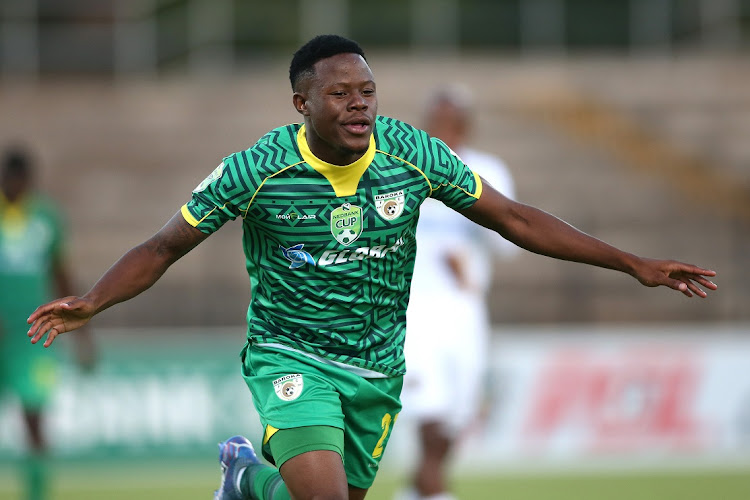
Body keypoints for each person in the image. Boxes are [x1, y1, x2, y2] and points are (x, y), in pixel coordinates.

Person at [26, 35, 716, 500]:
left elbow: (514, 218)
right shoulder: (257, 170)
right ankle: (249, 472)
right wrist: (93, 301)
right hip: (290, 353)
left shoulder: (411, 153)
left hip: (377, 364)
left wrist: (632, 264)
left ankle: (242, 479)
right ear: (302, 104)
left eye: (368, 91)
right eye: (340, 94)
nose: (360, 105)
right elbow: (161, 247)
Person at [396, 85, 520, 500]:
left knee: (457, 417)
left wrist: (469, 238)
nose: (442, 129)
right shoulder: (403, 171)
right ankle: (436, 493)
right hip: (415, 310)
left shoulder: (488, 170)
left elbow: (510, 239)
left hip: (465, 310)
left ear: (466, 124)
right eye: (436, 121)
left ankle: (417, 493)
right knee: (428, 412)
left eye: (451, 121)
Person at [0, 145, 94, 500]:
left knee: (35, 421)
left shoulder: (45, 217)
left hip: (32, 333)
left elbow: (61, 273)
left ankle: (36, 494)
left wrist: (84, 334)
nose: (15, 187)